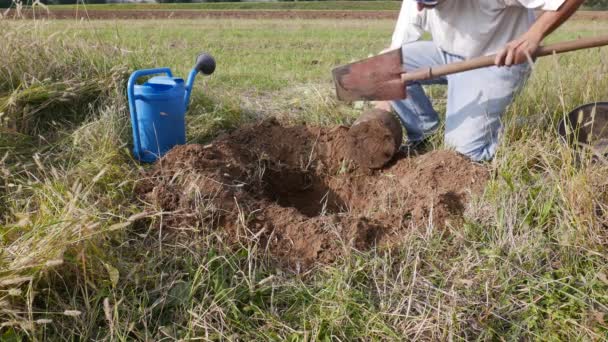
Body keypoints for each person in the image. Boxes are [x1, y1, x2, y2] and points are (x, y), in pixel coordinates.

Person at [375, 0, 584, 161]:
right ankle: (424, 134)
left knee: (460, 155)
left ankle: (511, 130)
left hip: (496, 60)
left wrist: (533, 35)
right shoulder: (418, 2)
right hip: (445, 54)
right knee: (382, 67)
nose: (420, 7)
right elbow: (395, 51)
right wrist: (384, 97)